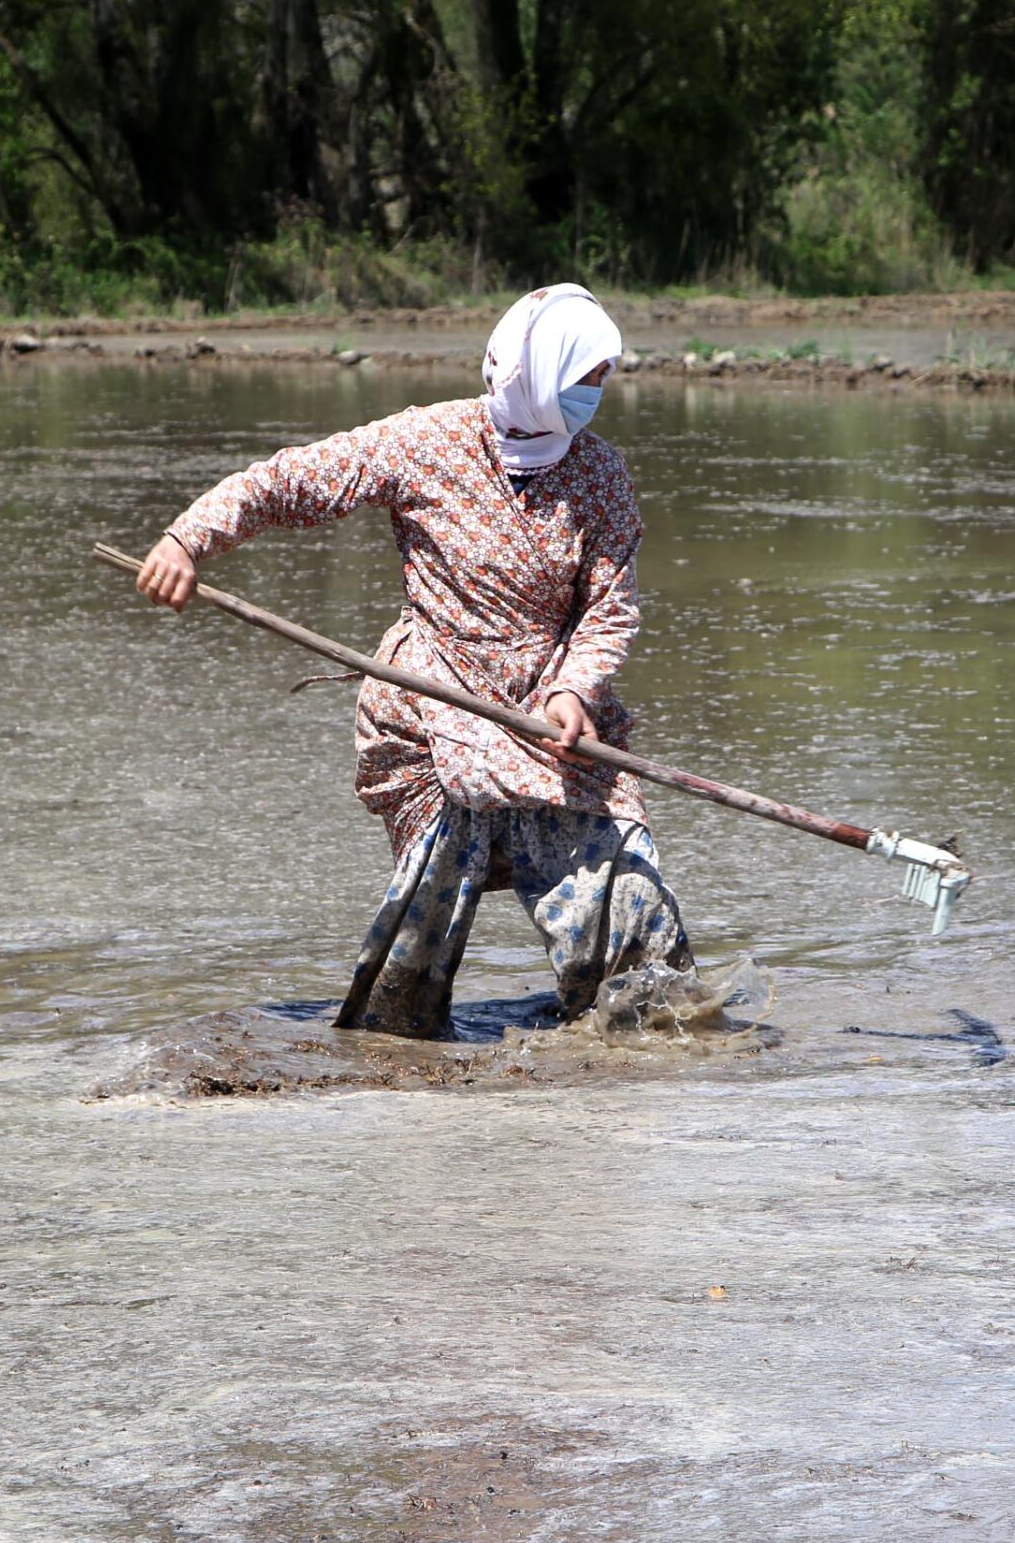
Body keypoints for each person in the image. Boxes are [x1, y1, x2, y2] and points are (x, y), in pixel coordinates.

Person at [134, 283, 694, 1038]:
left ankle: (648, 1038)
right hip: (436, 707)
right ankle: (387, 1052)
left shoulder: (600, 474)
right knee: (429, 909)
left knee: (629, 891)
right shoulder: (428, 442)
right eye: (583, 378)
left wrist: (574, 688)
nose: (597, 394)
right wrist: (189, 539)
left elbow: (610, 608)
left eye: (602, 379)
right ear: (534, 368)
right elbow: (292, 480)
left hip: (548, 716)